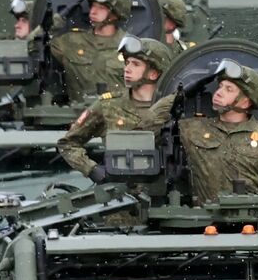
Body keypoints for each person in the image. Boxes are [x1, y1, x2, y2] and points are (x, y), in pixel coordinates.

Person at [58, 36, 174, 180]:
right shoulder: (108, 105)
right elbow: (68, 143)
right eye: (127, 63)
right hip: (120, 193)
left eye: (136, 64)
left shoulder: (174, 108)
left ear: (153, 73)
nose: (127, 69)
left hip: (167, 195)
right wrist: (91, 169)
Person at [179, 61, 258, 203]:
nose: (218, 93)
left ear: (245, 102)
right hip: (205, 221)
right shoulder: (193, 130)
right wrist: (182, 94)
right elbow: (150, 123)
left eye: (229, 89)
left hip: (252, 222)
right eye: (220, 87)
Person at [48, 0, 130, 101]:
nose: (93, 11)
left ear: (115, 14)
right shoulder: (71, 41)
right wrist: (60, 18)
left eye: (101, 8)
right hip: (79, 115)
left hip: (118, 116)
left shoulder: (130, 46)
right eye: (92, 6)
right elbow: (33, 46)